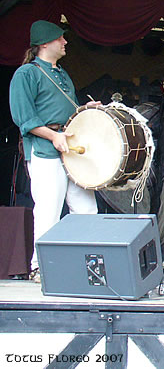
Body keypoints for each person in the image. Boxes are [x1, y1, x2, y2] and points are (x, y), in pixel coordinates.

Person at [9, 20, 100, 283]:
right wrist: (53, 136)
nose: (65, 42)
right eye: (60, 38)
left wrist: (84, 110)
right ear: (45, 43)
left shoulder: (61, 73)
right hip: (44, 149)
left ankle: (87, 266)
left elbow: (66, 112)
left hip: (70, 149)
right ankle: (40, 267)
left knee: (86, 209)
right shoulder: (26, 74)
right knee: (48, 210)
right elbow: (24, 118)